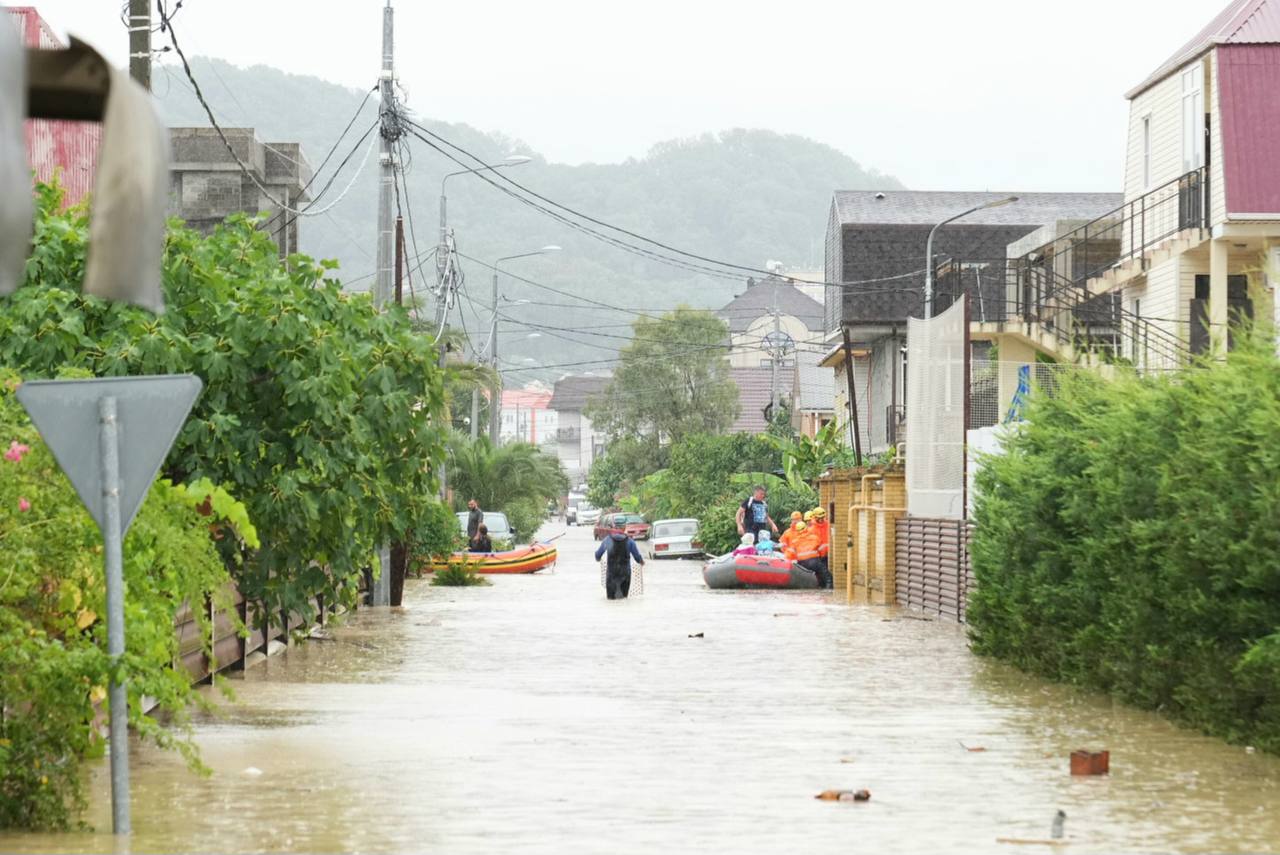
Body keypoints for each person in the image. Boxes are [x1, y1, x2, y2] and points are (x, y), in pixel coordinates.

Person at [595, 530, 646, 600]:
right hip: (625, 574)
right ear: (624, 530)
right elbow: (637, 557)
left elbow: (598, 554)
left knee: (610, 600)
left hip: (611, 574)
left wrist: (598, 558)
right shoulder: (630, 541)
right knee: (623, 599)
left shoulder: (608, 540)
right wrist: (642, 562)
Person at [794, 520, 832, 589]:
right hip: (813, 561)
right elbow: (821, 550)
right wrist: (821, 557)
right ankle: (828, 587)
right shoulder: (814, 538)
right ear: (806, 528)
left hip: (801, 564)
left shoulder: (795, 541)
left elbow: (792, 554)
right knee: (826, 574)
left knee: (802, 579)